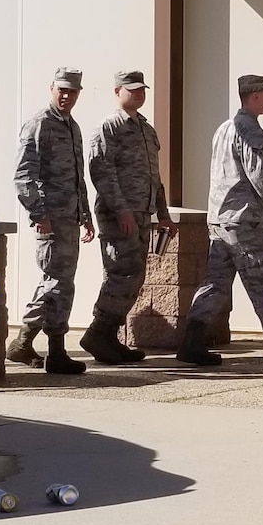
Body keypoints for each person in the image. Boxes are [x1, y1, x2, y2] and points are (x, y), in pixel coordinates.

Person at [181, 75, 263, 368]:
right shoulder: (249, 130)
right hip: (243, 221)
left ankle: (191, 342)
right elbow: (259, 177)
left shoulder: (224, 129)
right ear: (254, 96)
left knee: (216, 283)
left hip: (220, 220)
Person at [82, 70, 176, 365]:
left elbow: (154, 176)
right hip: (118, 214)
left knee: (135, 275)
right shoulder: (109, 127)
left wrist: (163, 213)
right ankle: (99, 333)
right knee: (121, 273)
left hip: (142, 212)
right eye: (132, 89)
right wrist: (121, 209)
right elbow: (101, 171)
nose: (138, 94)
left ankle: (109, 337)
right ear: (117, 91)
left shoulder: (146, 129)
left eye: (142, 89)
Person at [8, 68, 94, 375]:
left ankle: (38, 346)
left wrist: (85, 215)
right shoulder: (39, 124)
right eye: (62, 90)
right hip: (50, 220)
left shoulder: (73, 127)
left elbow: (77, 176)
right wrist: (38, 214)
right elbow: (23, 175)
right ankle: (38, 346)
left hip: (69, 218)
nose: (67, 96)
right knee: (56, 282)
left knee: (61, 285)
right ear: (52, 89)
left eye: (73, 91)